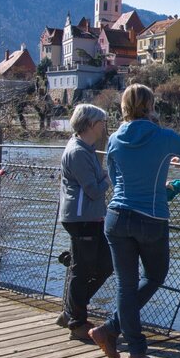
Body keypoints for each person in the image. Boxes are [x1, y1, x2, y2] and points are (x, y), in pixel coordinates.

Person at [89, 84, 180, 358]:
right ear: (151, 105)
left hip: (117, 216)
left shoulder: (115, 139)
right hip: (152, 218)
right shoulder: (164, 136)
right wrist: (176, 161)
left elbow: (116, 181)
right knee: (155, 275)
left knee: (125, 286)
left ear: (123, 107)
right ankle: (111, 331)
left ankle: (134, 350)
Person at [56, 104, 112, 340]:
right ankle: (77, 322)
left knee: (105, 265)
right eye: (101, 123)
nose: (104, 128)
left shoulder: (84, 148)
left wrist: (102, 180)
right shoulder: (79, 152)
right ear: (90, 124)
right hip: (82, 217)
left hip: (90, 216)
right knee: (82, 270)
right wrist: (110, 177)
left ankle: (71, 311)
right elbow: (93, 189)